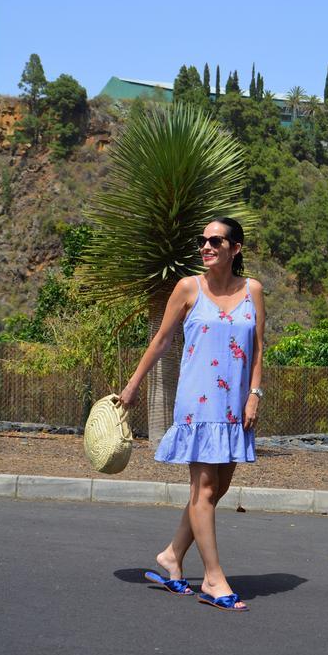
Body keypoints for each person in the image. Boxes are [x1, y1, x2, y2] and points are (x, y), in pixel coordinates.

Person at [118, 216, 265, 612]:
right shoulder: (188, 288)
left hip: (235, 406)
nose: (207, 246)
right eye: (203, 241)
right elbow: (162, 339)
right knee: (202, 490)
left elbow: (258, 347)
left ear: (236, 248)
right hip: (198, 404)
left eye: (216, 241)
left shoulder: (253, 290)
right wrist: (132, 386)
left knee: (218, 490)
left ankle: (171, 555)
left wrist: (254, 395)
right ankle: (214, 579)